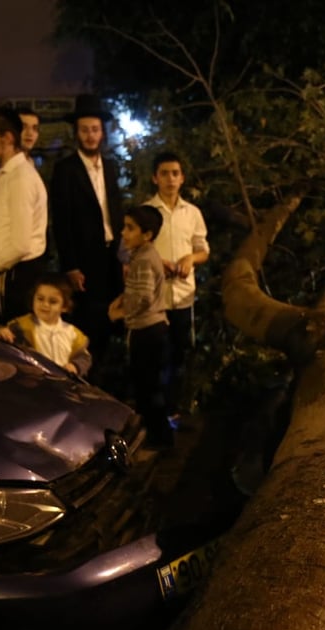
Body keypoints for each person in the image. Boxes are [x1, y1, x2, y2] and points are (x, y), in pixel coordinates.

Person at [50, 94, 125, 378]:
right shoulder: (65, 170)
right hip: (84, 257)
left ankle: (105, 381)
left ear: (102, 132)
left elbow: (116, 211)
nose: (90, 135)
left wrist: (125, 254)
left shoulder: (111, 166)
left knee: (112, 317)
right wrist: (70, 265)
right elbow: (62, 221)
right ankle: (84, 381)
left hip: (111, 254)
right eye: (85, 130)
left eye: (95, 129)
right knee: (87, 322)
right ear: (76, 133)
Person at [145, 150, 209, 422]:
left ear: (182, 178)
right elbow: (135, 250)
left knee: (180, 354)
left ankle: (174, 410)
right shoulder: (146, 212)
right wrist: (159, 262)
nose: (170, 179)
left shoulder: (192, 213)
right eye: (164, 174)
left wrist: (189, 258)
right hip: (154, 298)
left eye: (175, 173)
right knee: (154, 357)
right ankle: (153, 413)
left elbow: (203, 249)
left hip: (183, 296)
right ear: (154, 178)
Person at [0, 106, 48, 319]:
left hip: (18, 275)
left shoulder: (20, 178)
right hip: (11, 273)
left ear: (6, 139)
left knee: (16, 346)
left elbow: (19, 244)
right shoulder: (9, 175)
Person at [108, 205, 171, 447]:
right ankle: (158, 437)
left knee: (148, 390)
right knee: (149, 387)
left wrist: (120, 313)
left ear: (147, 235)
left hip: (147, 331)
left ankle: (159, 440)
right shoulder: (143, 254)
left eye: (130, 228)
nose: (123, 233)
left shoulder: (144, 259)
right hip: (151, 329)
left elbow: (143, 297)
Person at [0, 273, 91, 376]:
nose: (45, 305)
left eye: (53, 302)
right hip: (32, 380)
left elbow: (84, 357)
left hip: (61, 384)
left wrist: (75, 366)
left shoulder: (73, 334)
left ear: (65, 307)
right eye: (40, 299)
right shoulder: (22, 326)